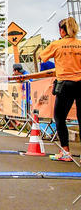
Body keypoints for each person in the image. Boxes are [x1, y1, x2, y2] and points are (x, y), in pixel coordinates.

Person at [39, 17, 81, 161]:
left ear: (62, 31)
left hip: (65, 85)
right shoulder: (80, 44)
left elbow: (42, 56)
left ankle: (66, 152)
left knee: (60, 117)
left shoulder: (57, 44)